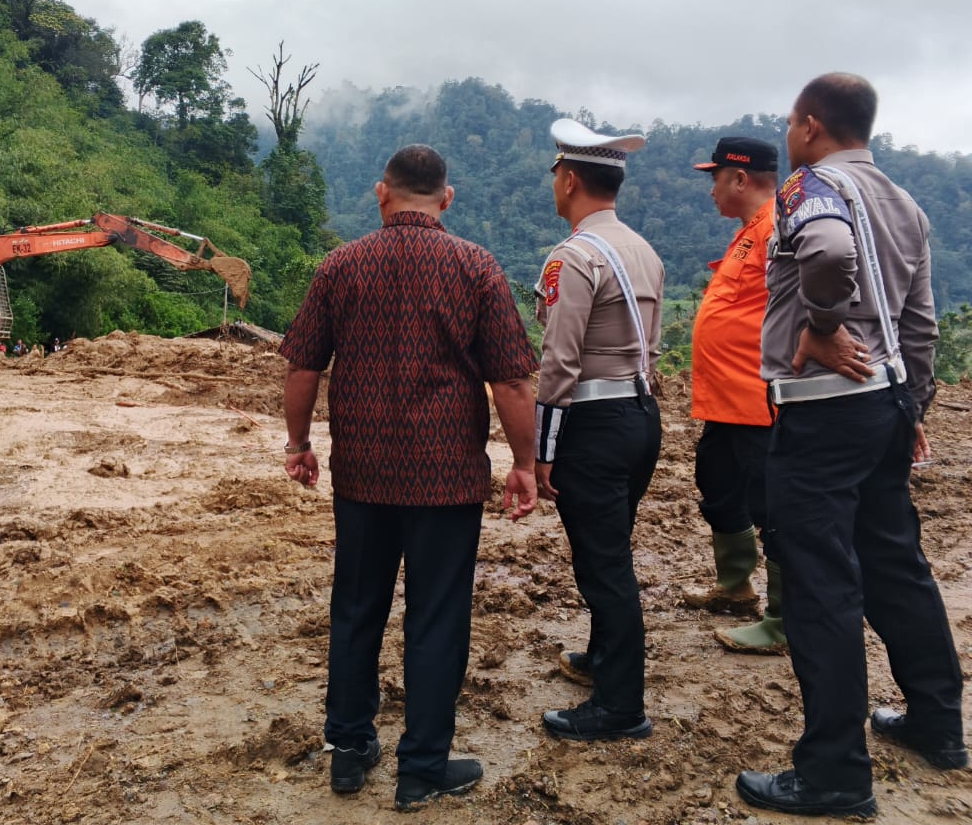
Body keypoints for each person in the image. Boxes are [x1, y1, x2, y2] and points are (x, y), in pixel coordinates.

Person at [280, 144, 539, 812]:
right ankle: (421, 767)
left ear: (380, 193)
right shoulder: (476, 267)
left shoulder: (341, 266)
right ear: (445, 199)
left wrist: (299, 443)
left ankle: (349, 748)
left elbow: (303, 366)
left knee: (356, 606)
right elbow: (510, 379)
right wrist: (525, 464)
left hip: (362, 473)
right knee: (437, 617)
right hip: (447, 478)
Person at [736, 73, 967, 818]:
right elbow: (921, 324)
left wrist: (826, 324)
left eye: (789, 124)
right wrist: (912, 403)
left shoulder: (808, 189)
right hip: (886, 409)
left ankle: (835, 770)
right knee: (897, 564)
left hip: (823, 416)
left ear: (809, 126)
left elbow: (830, 257)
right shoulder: (905, 204)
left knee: (818, 583)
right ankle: (938, 724)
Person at [507, 118, 663, 741]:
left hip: (593, 425)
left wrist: (541, 451)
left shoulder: (573, 256)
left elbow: (559, 361)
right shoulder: (642, 249)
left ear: (568, 179)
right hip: (640, 415)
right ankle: (601, 659)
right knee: (611, 547)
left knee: (604, 567)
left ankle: (620, 707)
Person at [682, 137, 788, 654]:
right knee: (719, 484)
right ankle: (735, 586)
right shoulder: (749, 232)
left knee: (773, 506)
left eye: (716, 177)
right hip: (726, 403)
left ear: (740, 179)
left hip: (759, 401)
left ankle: (784, 619)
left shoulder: (778, 227)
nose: (712, 189)